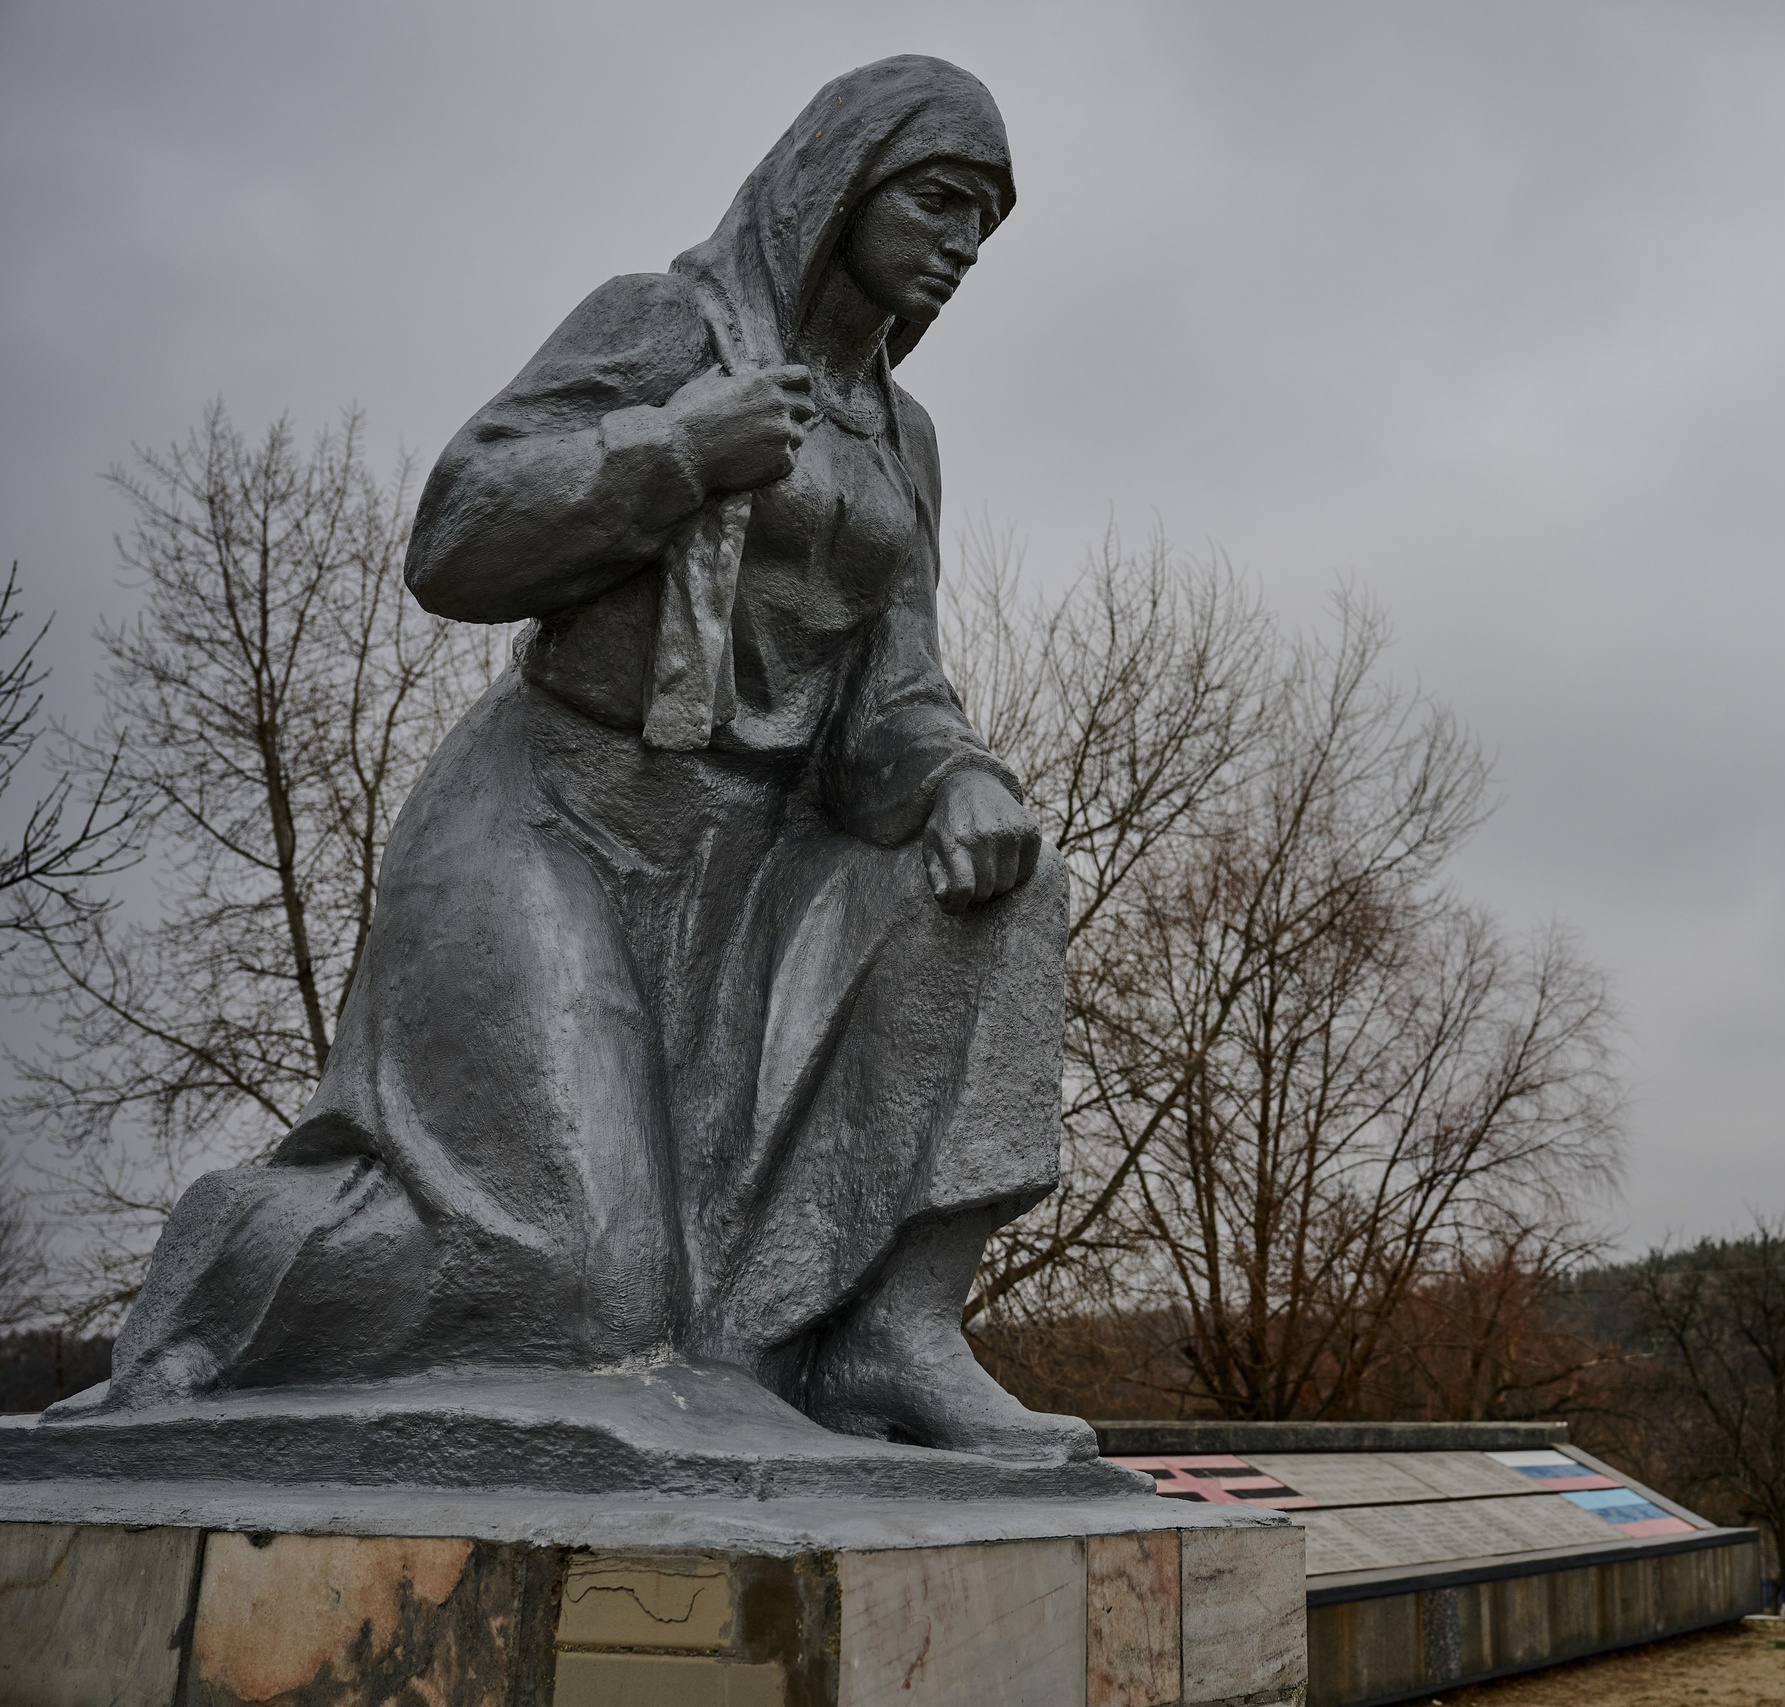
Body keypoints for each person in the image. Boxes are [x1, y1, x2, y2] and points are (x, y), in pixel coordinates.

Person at [86, 57, 1091, 1462]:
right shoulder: (665, 326)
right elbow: (458, 536)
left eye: (990, 220)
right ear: (843, 181)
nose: (965, 245)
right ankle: (233, 1270)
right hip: (554, 822)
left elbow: (895, 696)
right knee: (583, 1284)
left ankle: (889, 1335)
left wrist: (957, 774)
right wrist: (678, 447)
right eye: (939, 199)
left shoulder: (906, 442)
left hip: (746, 872)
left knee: (1004, 888)